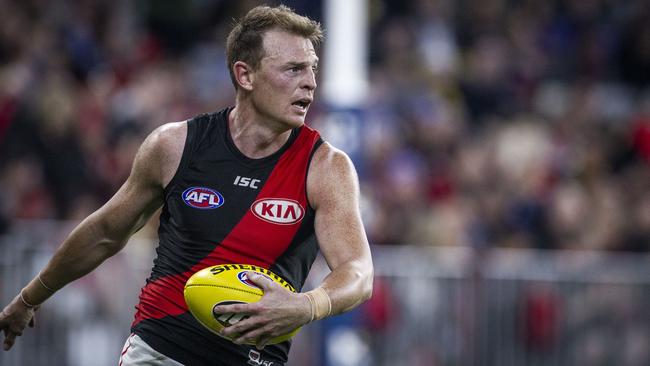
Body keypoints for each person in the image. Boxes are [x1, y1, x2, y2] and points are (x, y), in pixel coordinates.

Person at [0, 5, 374, 365]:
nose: (310, 82)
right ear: (245, 75)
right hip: (158, 353)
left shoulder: (326, 167)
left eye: (312, 69)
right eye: (293, 69)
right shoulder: (175, 145)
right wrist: (29, 298)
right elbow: (105, 233)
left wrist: (308, 305)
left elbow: (357, 272)